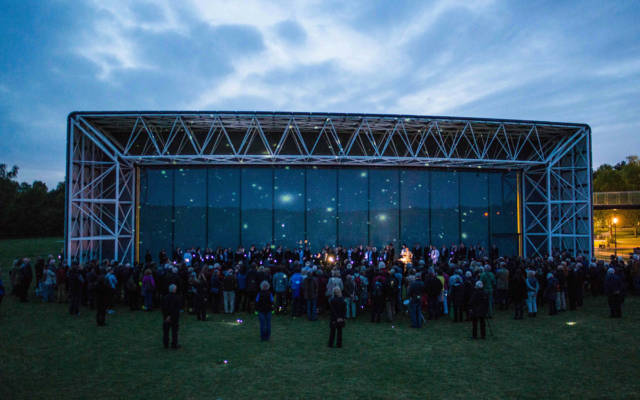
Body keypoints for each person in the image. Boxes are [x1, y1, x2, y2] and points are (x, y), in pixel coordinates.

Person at [162, 284, 183, 349]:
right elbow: (177, 309)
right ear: (174, 290)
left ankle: (166, 344)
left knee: (166, 332)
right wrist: (170, 316)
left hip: (166, 317)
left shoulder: (165, 297)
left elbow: (163, 308)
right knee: (174, 332)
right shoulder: (177, 298)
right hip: (174, 317)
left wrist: (167, 316)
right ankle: (174, 344)